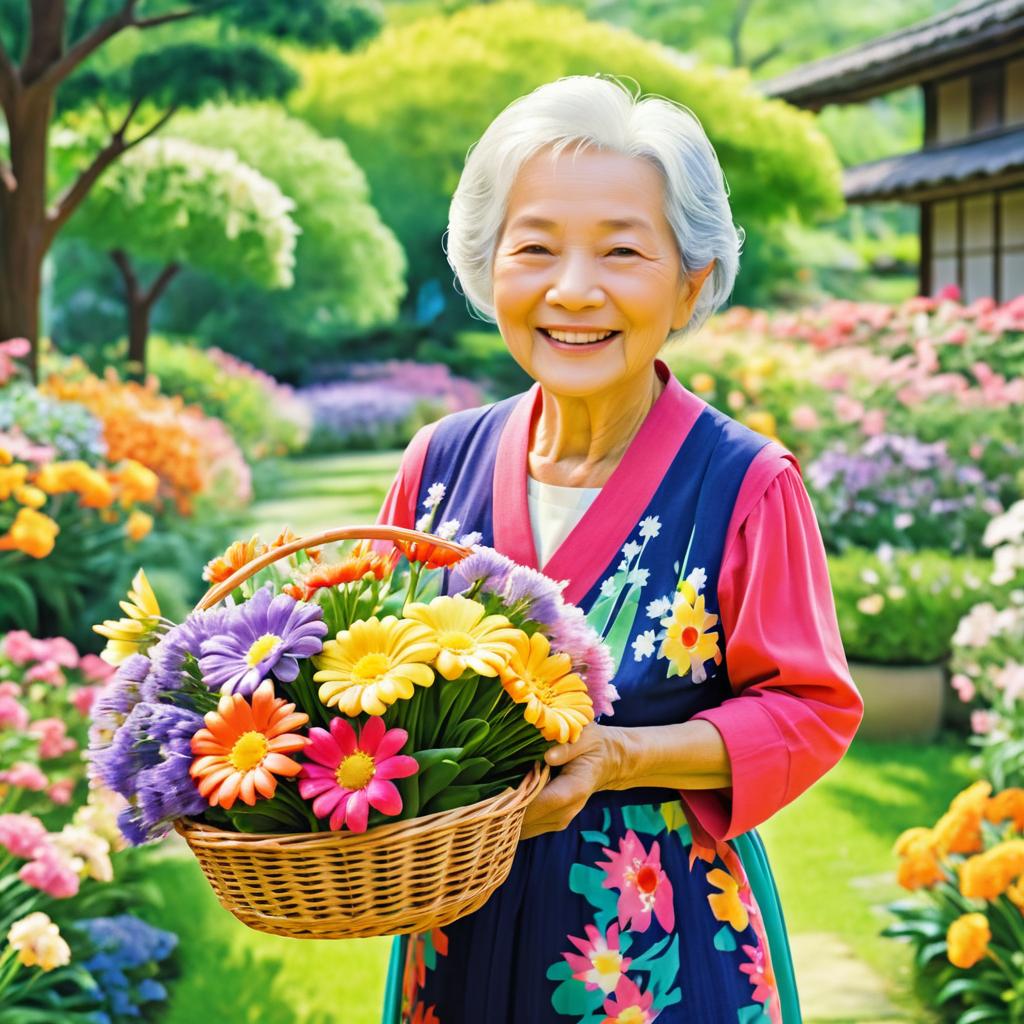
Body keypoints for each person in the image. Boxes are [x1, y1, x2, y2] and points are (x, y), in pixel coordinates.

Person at [377, 74, 863, 1024]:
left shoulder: (746, 483)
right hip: (457, 929)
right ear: (489, 266)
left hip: (661, 943)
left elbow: (810, 711)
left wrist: (623, 756)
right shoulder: (439, 464)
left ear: (690, 280)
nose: (572, 291)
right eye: (536, 249)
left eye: (622, 251)